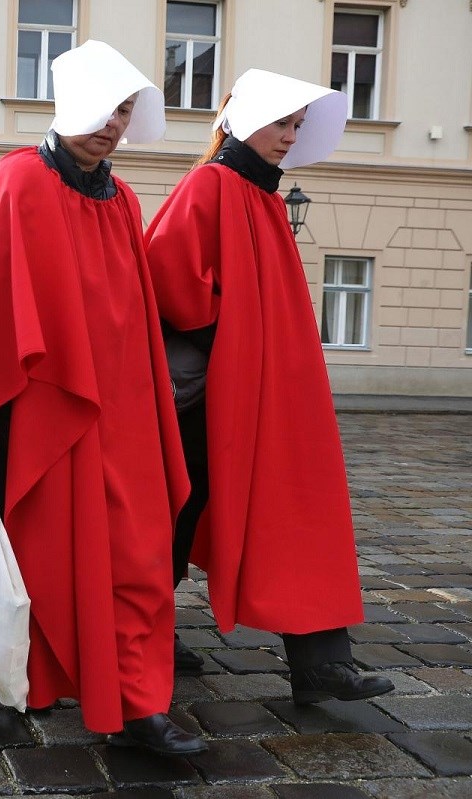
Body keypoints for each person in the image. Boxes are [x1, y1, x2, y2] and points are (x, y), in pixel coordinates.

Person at [0, 41, 205, 756]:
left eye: (123, 110)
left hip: (125, 417)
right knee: (48, 557)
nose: (112, 124)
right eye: (102, 108)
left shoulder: (124, 199)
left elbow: (138, 317)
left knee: (140, 556)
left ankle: (139, 701)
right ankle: (41, 676)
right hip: (41, 410)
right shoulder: (17, 181)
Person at [145, 69, 394, 706]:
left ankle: (320, 660)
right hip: (213, 396)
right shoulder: (213, 183)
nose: (289, 137)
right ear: (246, 118)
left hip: (266, 390)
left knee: (294, 509)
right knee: (176, 512)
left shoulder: (262, 195)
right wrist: (232, 341)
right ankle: (148, 635)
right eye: (281, 123)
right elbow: (167, 272)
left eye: (296, 127)